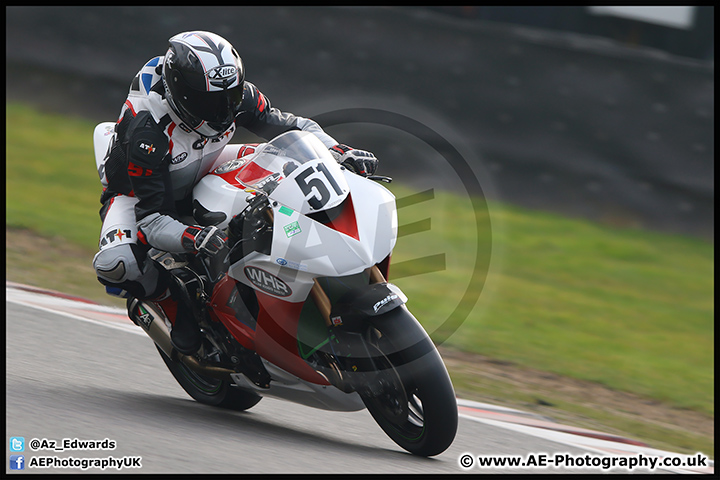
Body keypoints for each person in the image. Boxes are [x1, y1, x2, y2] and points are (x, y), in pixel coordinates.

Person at [92, 31, 378, 355]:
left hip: (208, 158)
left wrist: (339, 151)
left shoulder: (235, 96)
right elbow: (153, 219)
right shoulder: (148, 131)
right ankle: (171, 305)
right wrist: (195, 238)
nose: (222, 110)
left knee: (286, 162)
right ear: (179, 94)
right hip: (140, 192)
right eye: (208, 101)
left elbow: (293, 128)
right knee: (117, 263)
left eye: (229, 97)